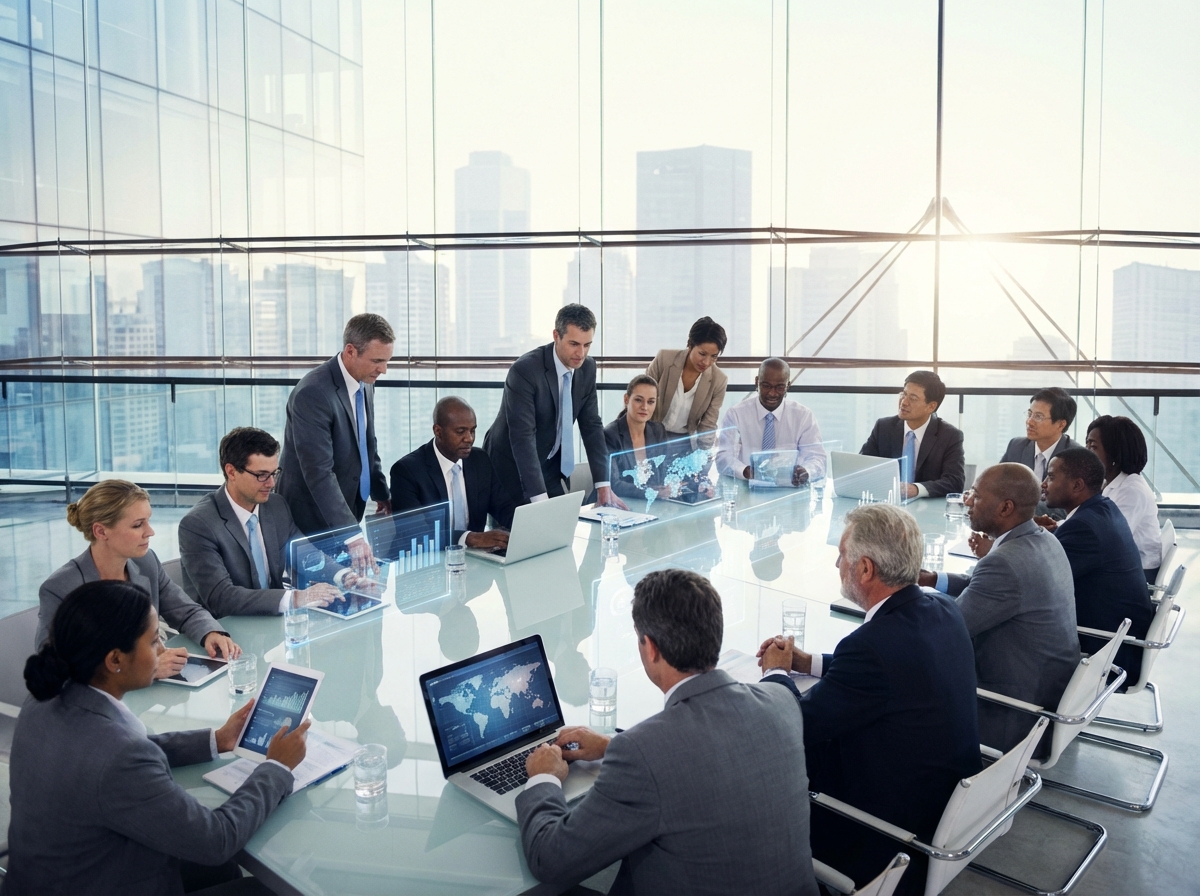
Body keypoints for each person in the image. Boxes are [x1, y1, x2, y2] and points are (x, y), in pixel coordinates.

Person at [516, 569, 817, 896]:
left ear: (651, 648)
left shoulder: (643, 753)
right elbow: (710, 752)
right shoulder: (782, 702)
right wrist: (610, 745)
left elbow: (550, 859)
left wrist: (543, 777)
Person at [5, 581, 308, 895]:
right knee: (265, 889)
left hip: (55, 877)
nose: (163, 650)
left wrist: (217, 740)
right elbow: (216, 840)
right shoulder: (118, 757)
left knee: (223, 871)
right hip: (105, 882)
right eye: (153, 642)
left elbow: (112, 755)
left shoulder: (44, 699)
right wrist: (276, 768)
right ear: (115, 660)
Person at [758, 504, 981, 896]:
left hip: (884, 831)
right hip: (944, 805)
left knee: (763, 758)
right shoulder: (942, 608)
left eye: (841, 555)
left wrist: (776, 672)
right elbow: (892, 673)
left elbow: (796, 723)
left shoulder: (871, 647)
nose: (835, 564)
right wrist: (808, 663)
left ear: (864, 568)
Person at [917, 464, 1079, 758]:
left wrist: (898, 602)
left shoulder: (1004, 563)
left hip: (1011, 714)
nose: (967, 501)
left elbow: (949, 630)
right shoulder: (1043, 539)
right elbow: (983, 586)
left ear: (1006, 508)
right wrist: (932, 580)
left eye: (976, 496)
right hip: (1048, 695)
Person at [39, 480, 239, 678]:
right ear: (100, 531)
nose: (150, 532)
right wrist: (143, 669)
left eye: (148, 521)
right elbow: (53, 664)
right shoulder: (61, 587)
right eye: (138, 525)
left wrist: (211, 633)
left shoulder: (146, 562)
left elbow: (186, 610)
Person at [179, 427, 350, 617]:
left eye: (274, 473)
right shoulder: (198, 524)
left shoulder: (276, 505)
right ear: (231, 472)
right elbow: (221, 597)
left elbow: (306, 555)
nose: (271, 483)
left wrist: (345, 576)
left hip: (272, 619)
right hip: (226, 626)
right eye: (261, 475)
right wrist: (295, 598)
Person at [279, 313, 393, 570]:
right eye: (377, 361)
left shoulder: (365, 380)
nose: (384, 369)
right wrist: (352, 535)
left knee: (348, 583)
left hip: (346, 507)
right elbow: (318, 472)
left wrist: (381, 492)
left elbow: (366, 442)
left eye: (387, 361)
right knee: (320, 587)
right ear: (351, 351)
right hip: (312, 517)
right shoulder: (313, 393)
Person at [483, 304, 625, 510]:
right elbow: (523, 438)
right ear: (556, 336)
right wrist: (540, 503)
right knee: (515, 528)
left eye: (587, 345)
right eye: (574, 344)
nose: (581, 353)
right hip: (510, 465)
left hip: (549, 464)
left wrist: (603, 486)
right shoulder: (525, 371)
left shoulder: (587, 368)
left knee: (560, 524)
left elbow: (592, 427)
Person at [1038, 448, 1155, 687]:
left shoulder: (1084, 528)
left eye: (1051, 476)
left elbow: (1037, 580)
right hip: (1118, 638)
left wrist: (1002, 544)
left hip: (1105, 652)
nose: (1043, 484)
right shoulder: (1102, 508)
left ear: (1077, 485)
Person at [390, 396, 517, 547]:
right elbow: (415, 532)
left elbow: (504, 507)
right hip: (424, 557)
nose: (469, 438)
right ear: (438, 431)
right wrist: (469, 538)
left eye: (472, 431)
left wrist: (526, 527)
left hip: (473, 557)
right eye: (460, 431)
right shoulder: (406, 471)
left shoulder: (480, 460)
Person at [716, 357, 826, 485]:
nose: (772, 393)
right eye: (766, 386)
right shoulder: (736, 414)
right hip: (747, 486)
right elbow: (723, 458)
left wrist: (806, 471)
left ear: (788, 385)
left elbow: (817, 458)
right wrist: (746, 471)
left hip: (790, 489)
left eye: (779, 387)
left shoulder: (803, 416)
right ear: (756, 382)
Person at [861, 370, 964, 499]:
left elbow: (955, 482)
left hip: (926, 507)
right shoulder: (883, 427)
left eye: (913, 398)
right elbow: (862, 467)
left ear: (931, 407)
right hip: (885, 502)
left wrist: (916, 489)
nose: (904, 402)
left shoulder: (950, 436)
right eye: (904, 394)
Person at [1085, 415, 1163, 580]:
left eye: (1093, 446)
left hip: (1136, 575)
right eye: (1087, 445)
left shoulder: (1131, 491)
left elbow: (1109, 539)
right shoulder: (1111, 483)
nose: (1086, 453)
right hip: (1123, 566)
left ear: (1114, 452)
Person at [644, 316, 729, 444]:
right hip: (651, 436)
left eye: (714, 356)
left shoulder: (719, 380)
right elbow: (641, 397)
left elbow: (708, 424)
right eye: (702, 354)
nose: (706, 362)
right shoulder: (664, 359)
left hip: (684, 441)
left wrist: (706, 452)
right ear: (690, 345)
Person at [603, 374, 672, 501]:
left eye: (650, 402)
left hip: (651, 504)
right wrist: (651, 492)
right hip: (618, 504)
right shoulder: (610, 434)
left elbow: (666, 471)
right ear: (626, 399)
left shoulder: (658, 431)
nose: (644, 407)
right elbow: (614, 484)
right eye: (639, 400)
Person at [1000, 387, 1080, 479]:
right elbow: (998, 483)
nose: (1029, 422)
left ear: (1060, 425)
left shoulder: (1076, 457)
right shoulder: (1016, 447)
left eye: (1038, 417)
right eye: (1030, 414)